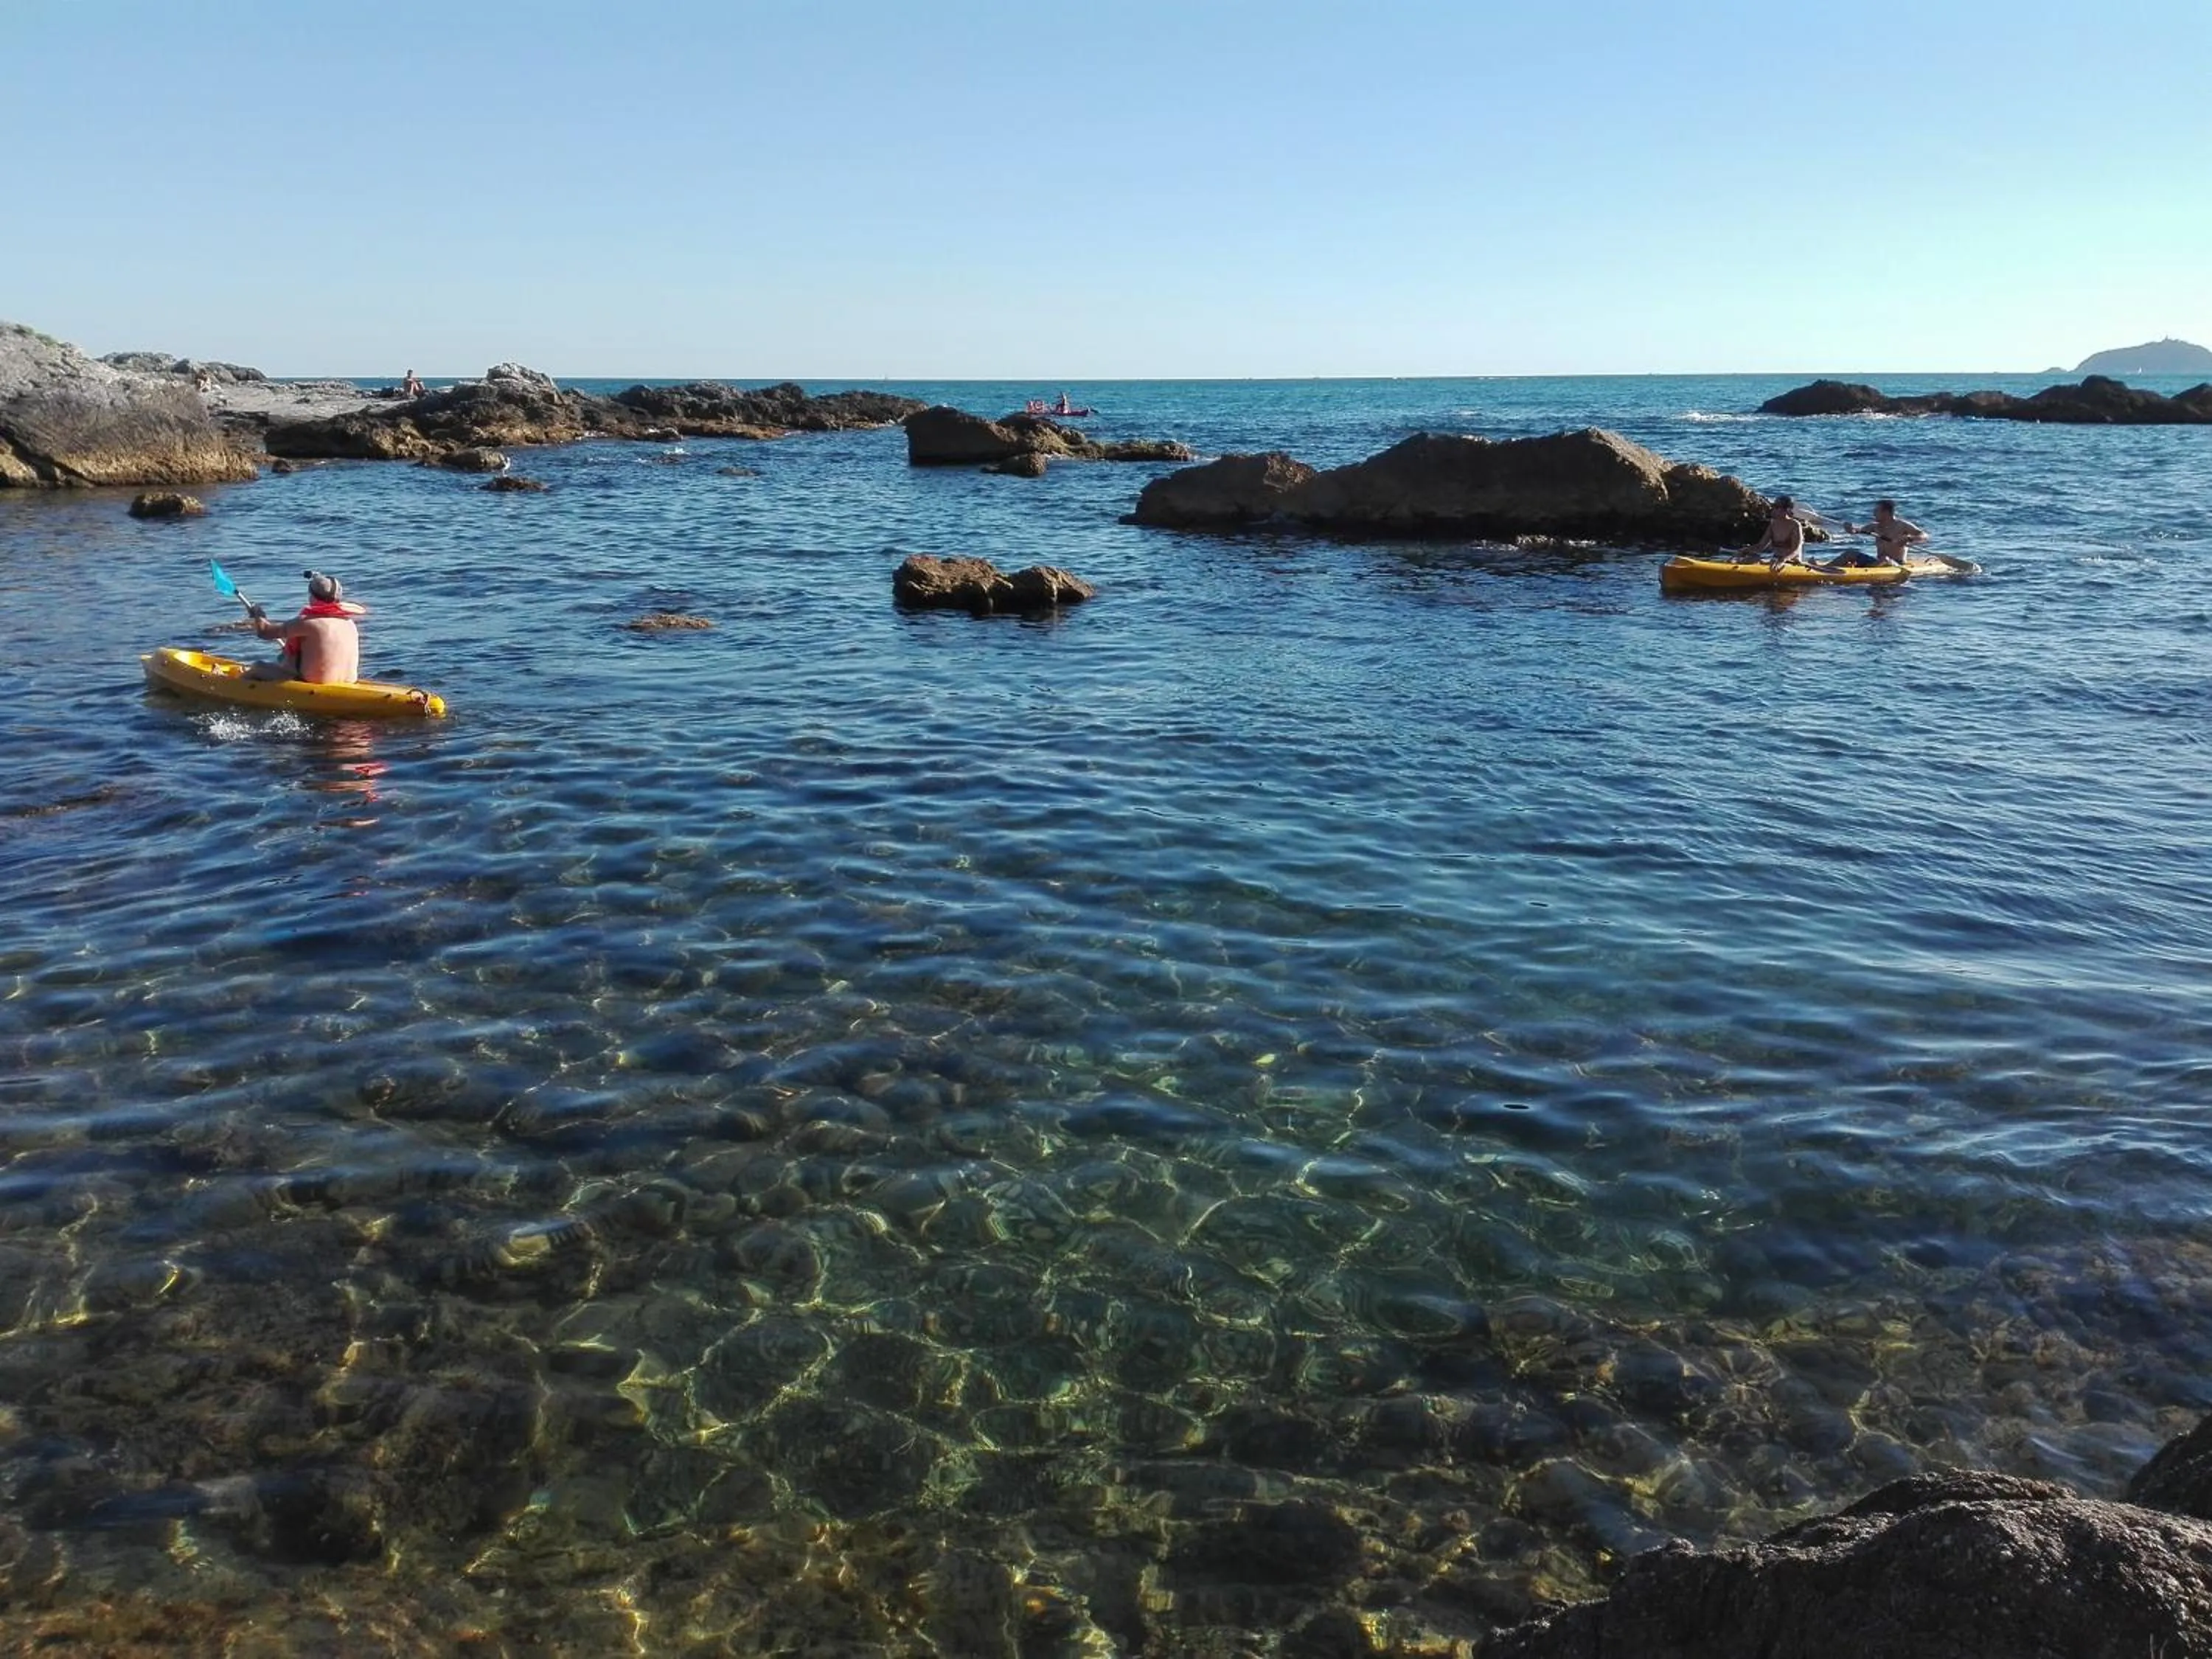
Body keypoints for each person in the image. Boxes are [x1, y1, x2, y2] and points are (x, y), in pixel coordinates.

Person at [246, 570, 366, 683]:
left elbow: (264, 632)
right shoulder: (349, 623)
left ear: (312, 596)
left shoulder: (308, 622)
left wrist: (259, 615)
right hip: (348, 682)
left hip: (313, 683)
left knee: (258, 667)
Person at [1829, 498, 1929, 568]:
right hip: (1877, 563)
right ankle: (1823, 569)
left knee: (1885, 559)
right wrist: (1850, 528)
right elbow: (1856, 530)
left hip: (1896, 564)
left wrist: (1909, 539)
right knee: (1850, 553)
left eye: (1876, 511)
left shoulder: (1902, 525)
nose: (1873, 514)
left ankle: (1862, 570)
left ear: (1886, 513)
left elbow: (1924, 536)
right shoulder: (1874, 526)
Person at [1742, 495, 1806, 567]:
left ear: (1787, 510)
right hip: (1776, 559)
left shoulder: (1795, 525)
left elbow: (1795, 551)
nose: (1773, 510)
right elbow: (1761, 546)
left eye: (1777, 507)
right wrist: (1745, 550)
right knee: (1749, 559)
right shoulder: (1773, 524)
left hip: (1792, 561)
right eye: (1774, 506)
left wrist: (1784, 560)